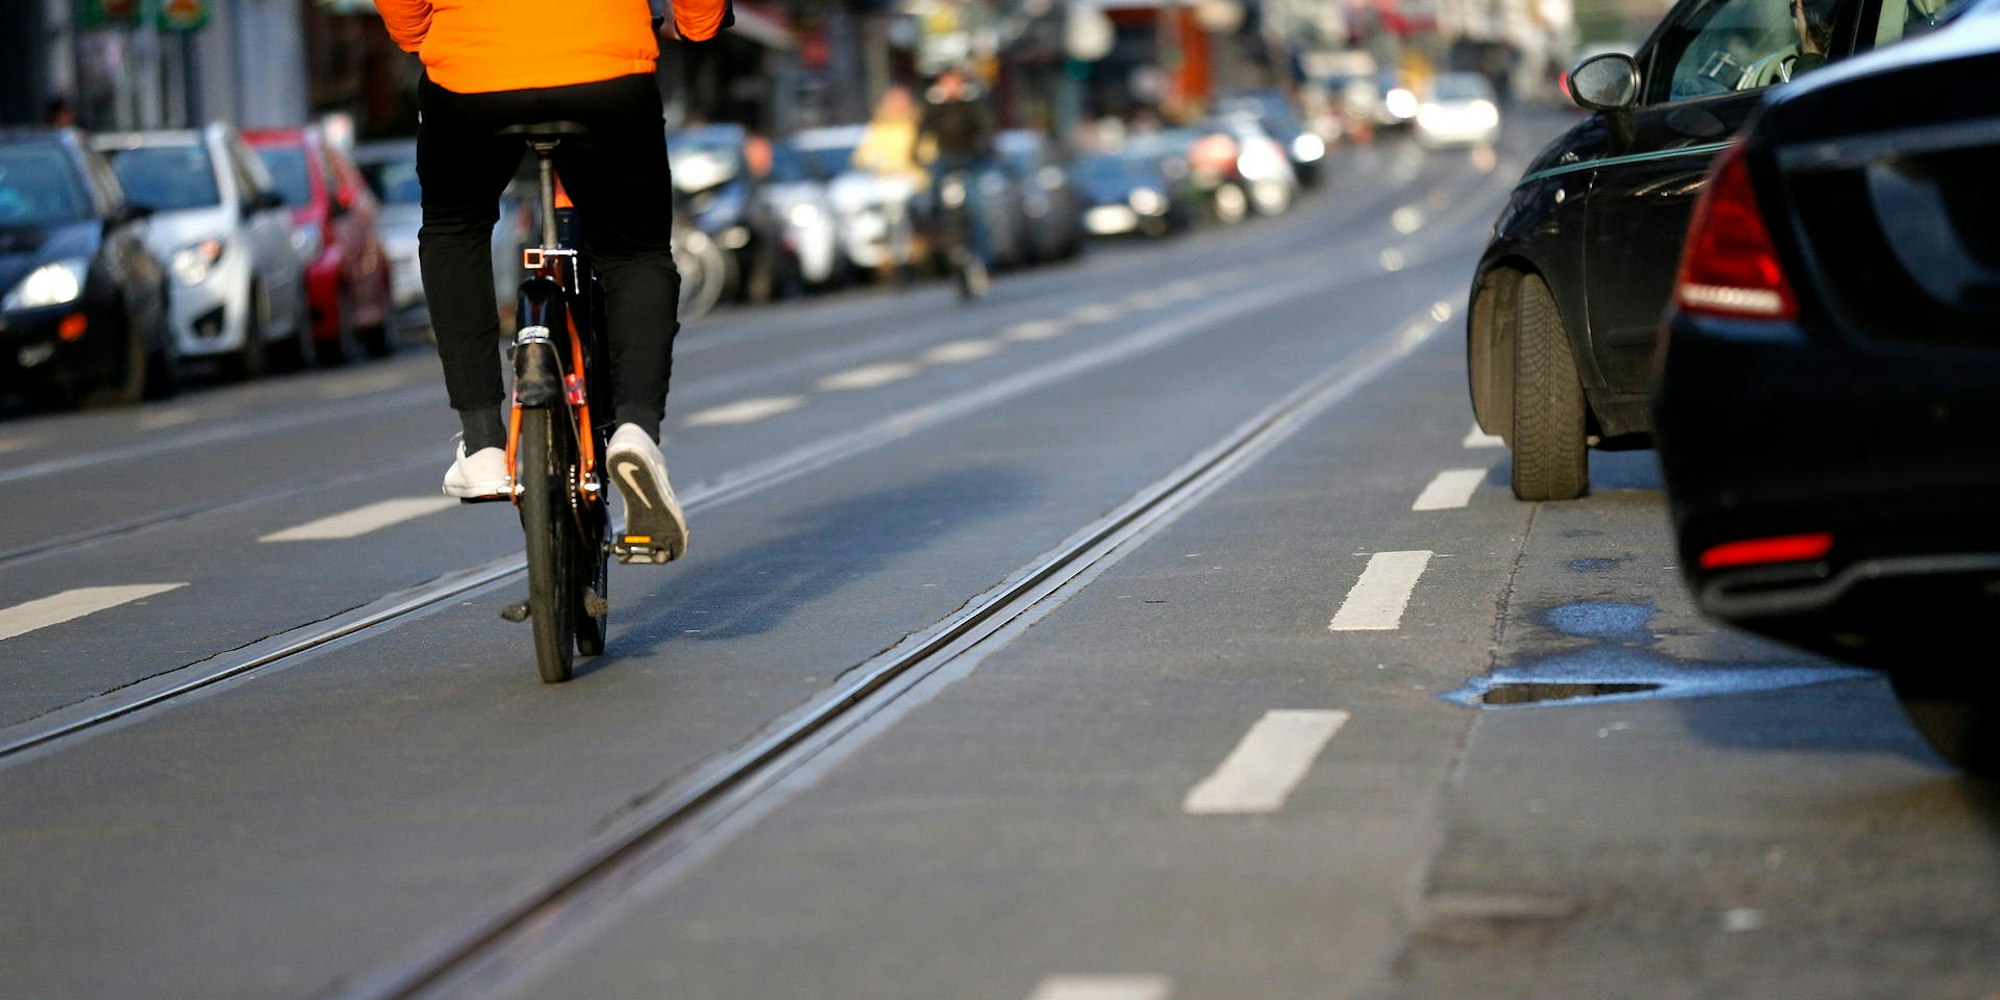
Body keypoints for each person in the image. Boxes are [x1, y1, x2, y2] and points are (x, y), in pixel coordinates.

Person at [374, 0, 726, 563]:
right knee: (635, 253)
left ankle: (485, 443)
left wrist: (419, 34)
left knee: (453, 228)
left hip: (471, 75)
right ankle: (636, 431)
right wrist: (698, 23)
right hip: (606, 68)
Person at [916, 66, 997, 270]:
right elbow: (922, 131)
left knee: (975, 203)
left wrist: (983, 145)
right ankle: (937, 229)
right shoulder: (934, 103)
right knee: (934, 190)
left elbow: (986, 127)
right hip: (946, 157)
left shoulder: (972, 101)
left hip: (971, 157)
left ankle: (982, 258)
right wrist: (916, 153)